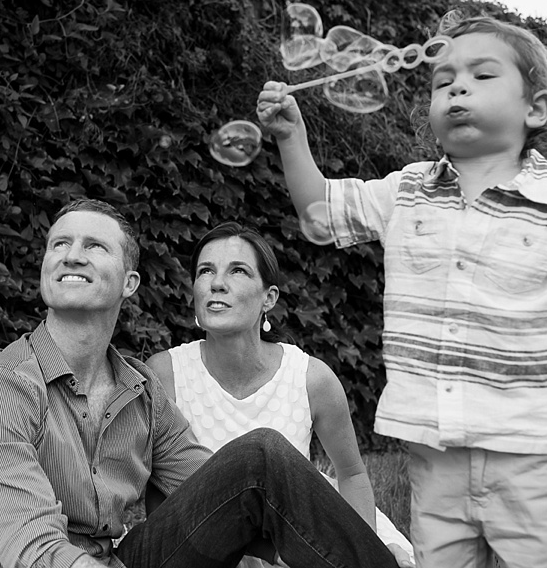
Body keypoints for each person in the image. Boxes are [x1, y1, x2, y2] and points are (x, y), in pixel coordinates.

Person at [256, 12, 547, 568]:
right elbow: (319, 212)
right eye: (443, 79)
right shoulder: (405, 192)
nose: (458, 86)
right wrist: (291, 137)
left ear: (535, 107)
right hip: (434, 451)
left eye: (481, 75)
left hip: (532, 452)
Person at [0, 198, 400, 568]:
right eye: (59, 244)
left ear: (130, 283)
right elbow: (37, 555)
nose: (72, 254)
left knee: (262, 458)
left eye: (95, 245)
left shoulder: (141, 392)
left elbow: (223, 492)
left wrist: (299, 551)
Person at [145, 221, 415, 568]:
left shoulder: (311, 378)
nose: (216, 283)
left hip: (303, 531)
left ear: (268, 298)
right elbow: (159, 491)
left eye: (238, 271)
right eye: (205, 271)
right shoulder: (165, 373)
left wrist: (358, 547)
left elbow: (352, 475)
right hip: (209, 549)